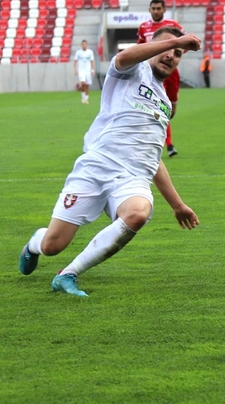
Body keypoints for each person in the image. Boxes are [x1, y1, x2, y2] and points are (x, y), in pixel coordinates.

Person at [18, 27, 202, 297]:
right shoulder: (131, 70)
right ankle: (35, 244)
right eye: (166, 48)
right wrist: (179, 41)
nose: (171, 55)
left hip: (131, 179)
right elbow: (125, 56)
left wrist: (178, 205)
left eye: (178, 54)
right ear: (151, 45)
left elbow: (153, 158)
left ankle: (68, 274)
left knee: (138, 213)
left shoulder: (164, 102)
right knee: (52, 246)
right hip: (96, 168)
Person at [138, 0, 185, 157]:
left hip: (170, 73)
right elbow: (140, 47)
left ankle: (161, 140)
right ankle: (168, 143)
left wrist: (174, 56)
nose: (156, 11)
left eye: (159, 8)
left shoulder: (173, 25)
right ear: (149, 10)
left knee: (170, 108)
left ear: (164, 10)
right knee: (157, 105)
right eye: (154, 8)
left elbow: (185, 44)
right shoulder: (144, 27)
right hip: (151, 72)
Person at [74, 39, 95, 104]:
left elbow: (92, 61)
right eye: (83, 44)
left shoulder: (90, 52)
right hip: (81, 70)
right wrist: (75, 69)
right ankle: (83, 98)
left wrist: (92, 70)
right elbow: (75, 61)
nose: (84, 45)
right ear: (81, 45)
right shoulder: (78, 52)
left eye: (85, 44)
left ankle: (86, 99)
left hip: (88, 70)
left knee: (87, 85)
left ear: (87, 45)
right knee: (83, 83)